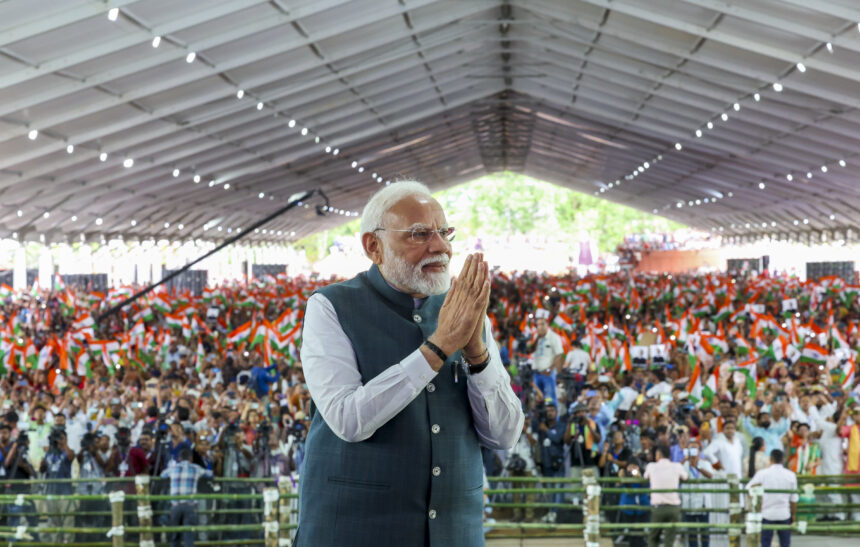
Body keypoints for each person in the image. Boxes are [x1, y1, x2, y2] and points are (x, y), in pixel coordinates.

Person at [297, 181, 524, 546]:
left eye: (444, 232)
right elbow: (347, 419)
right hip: (356, 532)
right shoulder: (331, 307)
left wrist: (477, 353)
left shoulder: (464, 310)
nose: (441, 247)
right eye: (420, 234)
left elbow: (504, 435)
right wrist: (437, 348)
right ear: (374, 247)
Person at [161, 448, 213, 547]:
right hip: (190, 506)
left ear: (179, 459)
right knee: (189, 537)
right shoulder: (195, 468)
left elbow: (162, 475)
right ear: (191, 459)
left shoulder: (173, 468)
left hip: (175, 506)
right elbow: (210, 474)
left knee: (175, 536)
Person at [747, 449, 798, 547]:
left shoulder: (763, 474)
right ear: (783, 460)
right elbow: (794, 499)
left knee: (765, 543)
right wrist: (793, 515)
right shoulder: (791, 475)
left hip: (767, 514)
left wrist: (757, 503)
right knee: (785, 543)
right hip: (784, 514)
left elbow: (749, 488)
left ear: (770, 459)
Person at [644, 444, 688, 547]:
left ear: (658, 455)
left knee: (653, 537)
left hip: (658, 507)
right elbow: (685, 477)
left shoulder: (651, 466)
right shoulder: (677, 466)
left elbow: (645, 477)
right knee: (669, 540)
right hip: (674, 507)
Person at [681, 439, 713, 547]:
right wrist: (684, 460)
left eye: (695, 449)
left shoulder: (705, 463)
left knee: (705, 531)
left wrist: (697, 467)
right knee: (692, 532)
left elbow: (710, 476)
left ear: (699, 451)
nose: (693, 452)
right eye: (691, 449)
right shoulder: (684, 465)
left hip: (703, 503)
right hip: (689, 503)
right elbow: (677, 475)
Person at [530, 308, 564, 405]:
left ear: (547, 325)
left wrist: (550, 369)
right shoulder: (536, 336)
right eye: (538, 325)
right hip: (536, 373)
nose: (540, 327)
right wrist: (537, 339)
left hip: (547, 374)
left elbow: (559, 355)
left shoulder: (554, 337)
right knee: (536, 400)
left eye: (542, 324)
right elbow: (530, 350)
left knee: (549, 401)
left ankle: (552, 419)